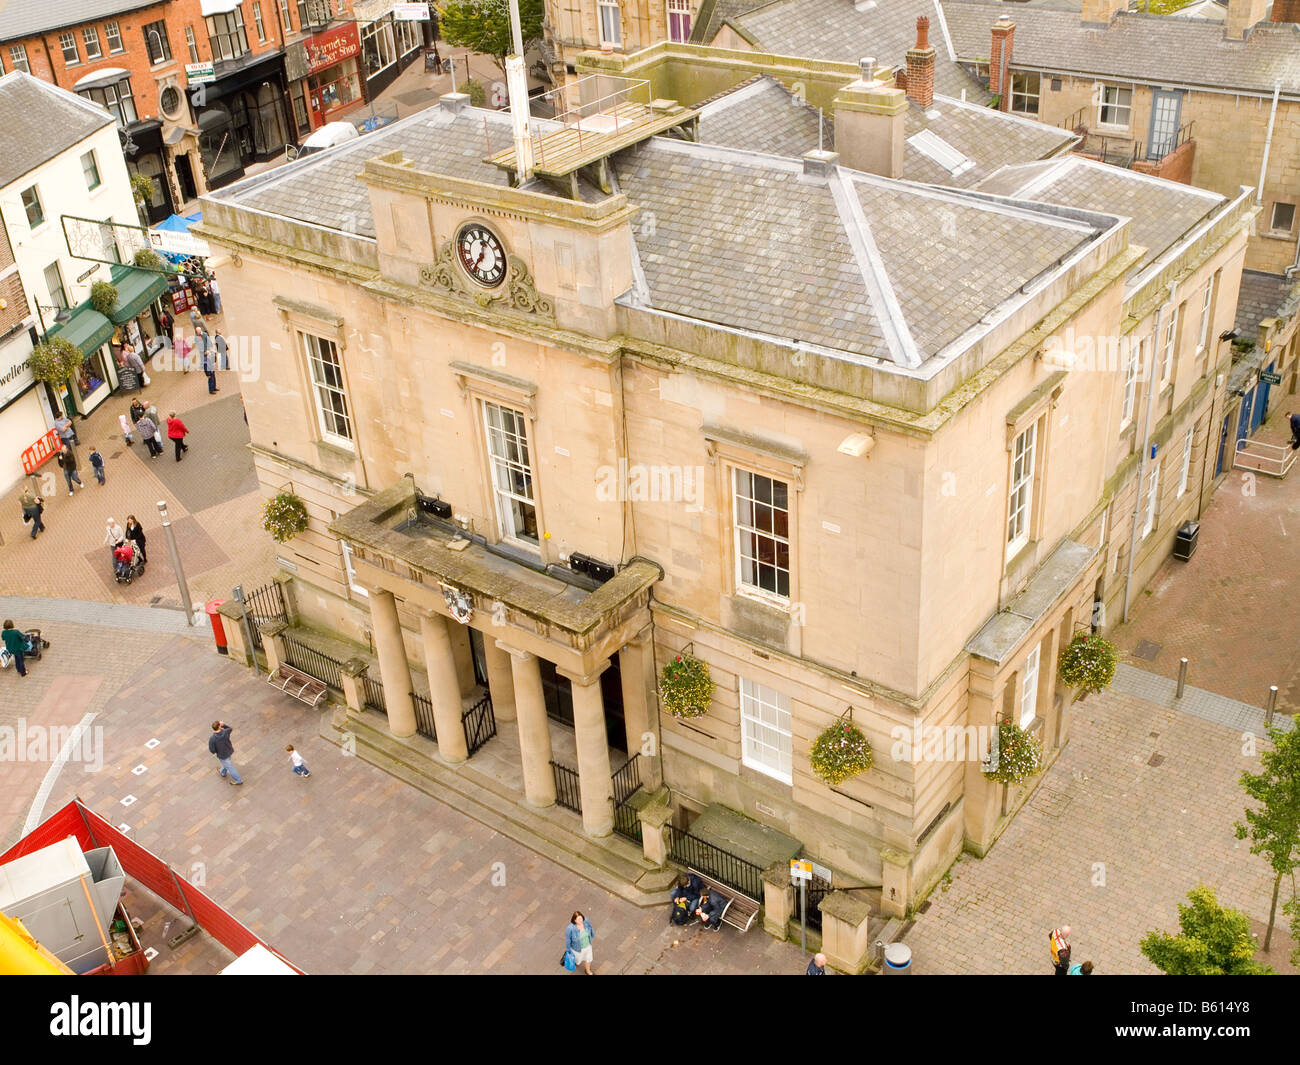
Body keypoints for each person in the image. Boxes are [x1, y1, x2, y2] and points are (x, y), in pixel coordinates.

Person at [208, 720, 242, 785]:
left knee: (230, 767)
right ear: (219, 726)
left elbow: (212, 750)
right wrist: (224, 725)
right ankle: (222, 772)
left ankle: (238, 780)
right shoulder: (225, 731)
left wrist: (217, 751)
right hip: (229, 750)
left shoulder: (212, 739)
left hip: (222, 755)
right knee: (227, 762)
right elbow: (230, 729)